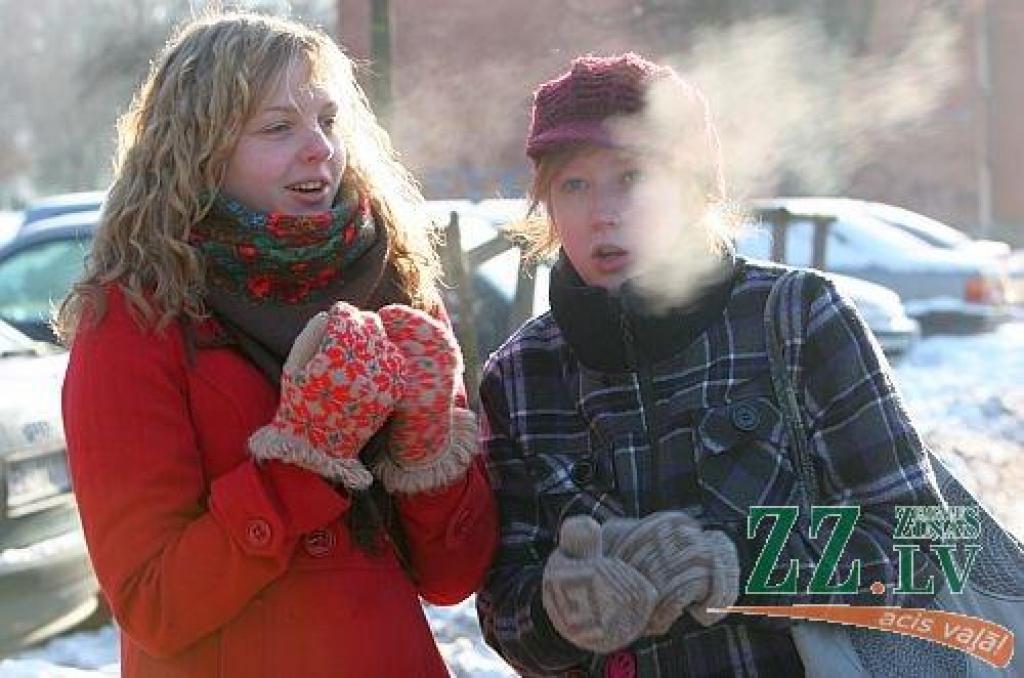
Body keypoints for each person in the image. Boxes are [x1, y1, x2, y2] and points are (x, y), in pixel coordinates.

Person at [56, 12, 497, 677]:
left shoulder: (392, 282)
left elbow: (452, 578)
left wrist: (428, 449)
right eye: (277, 127)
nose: (319, 147)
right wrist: (305, 459)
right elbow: (153, 605)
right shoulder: (134, 316)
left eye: (327, 119)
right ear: (197, 151)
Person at [475, 52, 943, 676]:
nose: (601, 213)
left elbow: (927, 544)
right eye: (573, 184)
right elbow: (503, 612)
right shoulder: (519, 374)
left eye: (631, 177)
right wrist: (557, 614)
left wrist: (738, 566)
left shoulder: (797, 317)